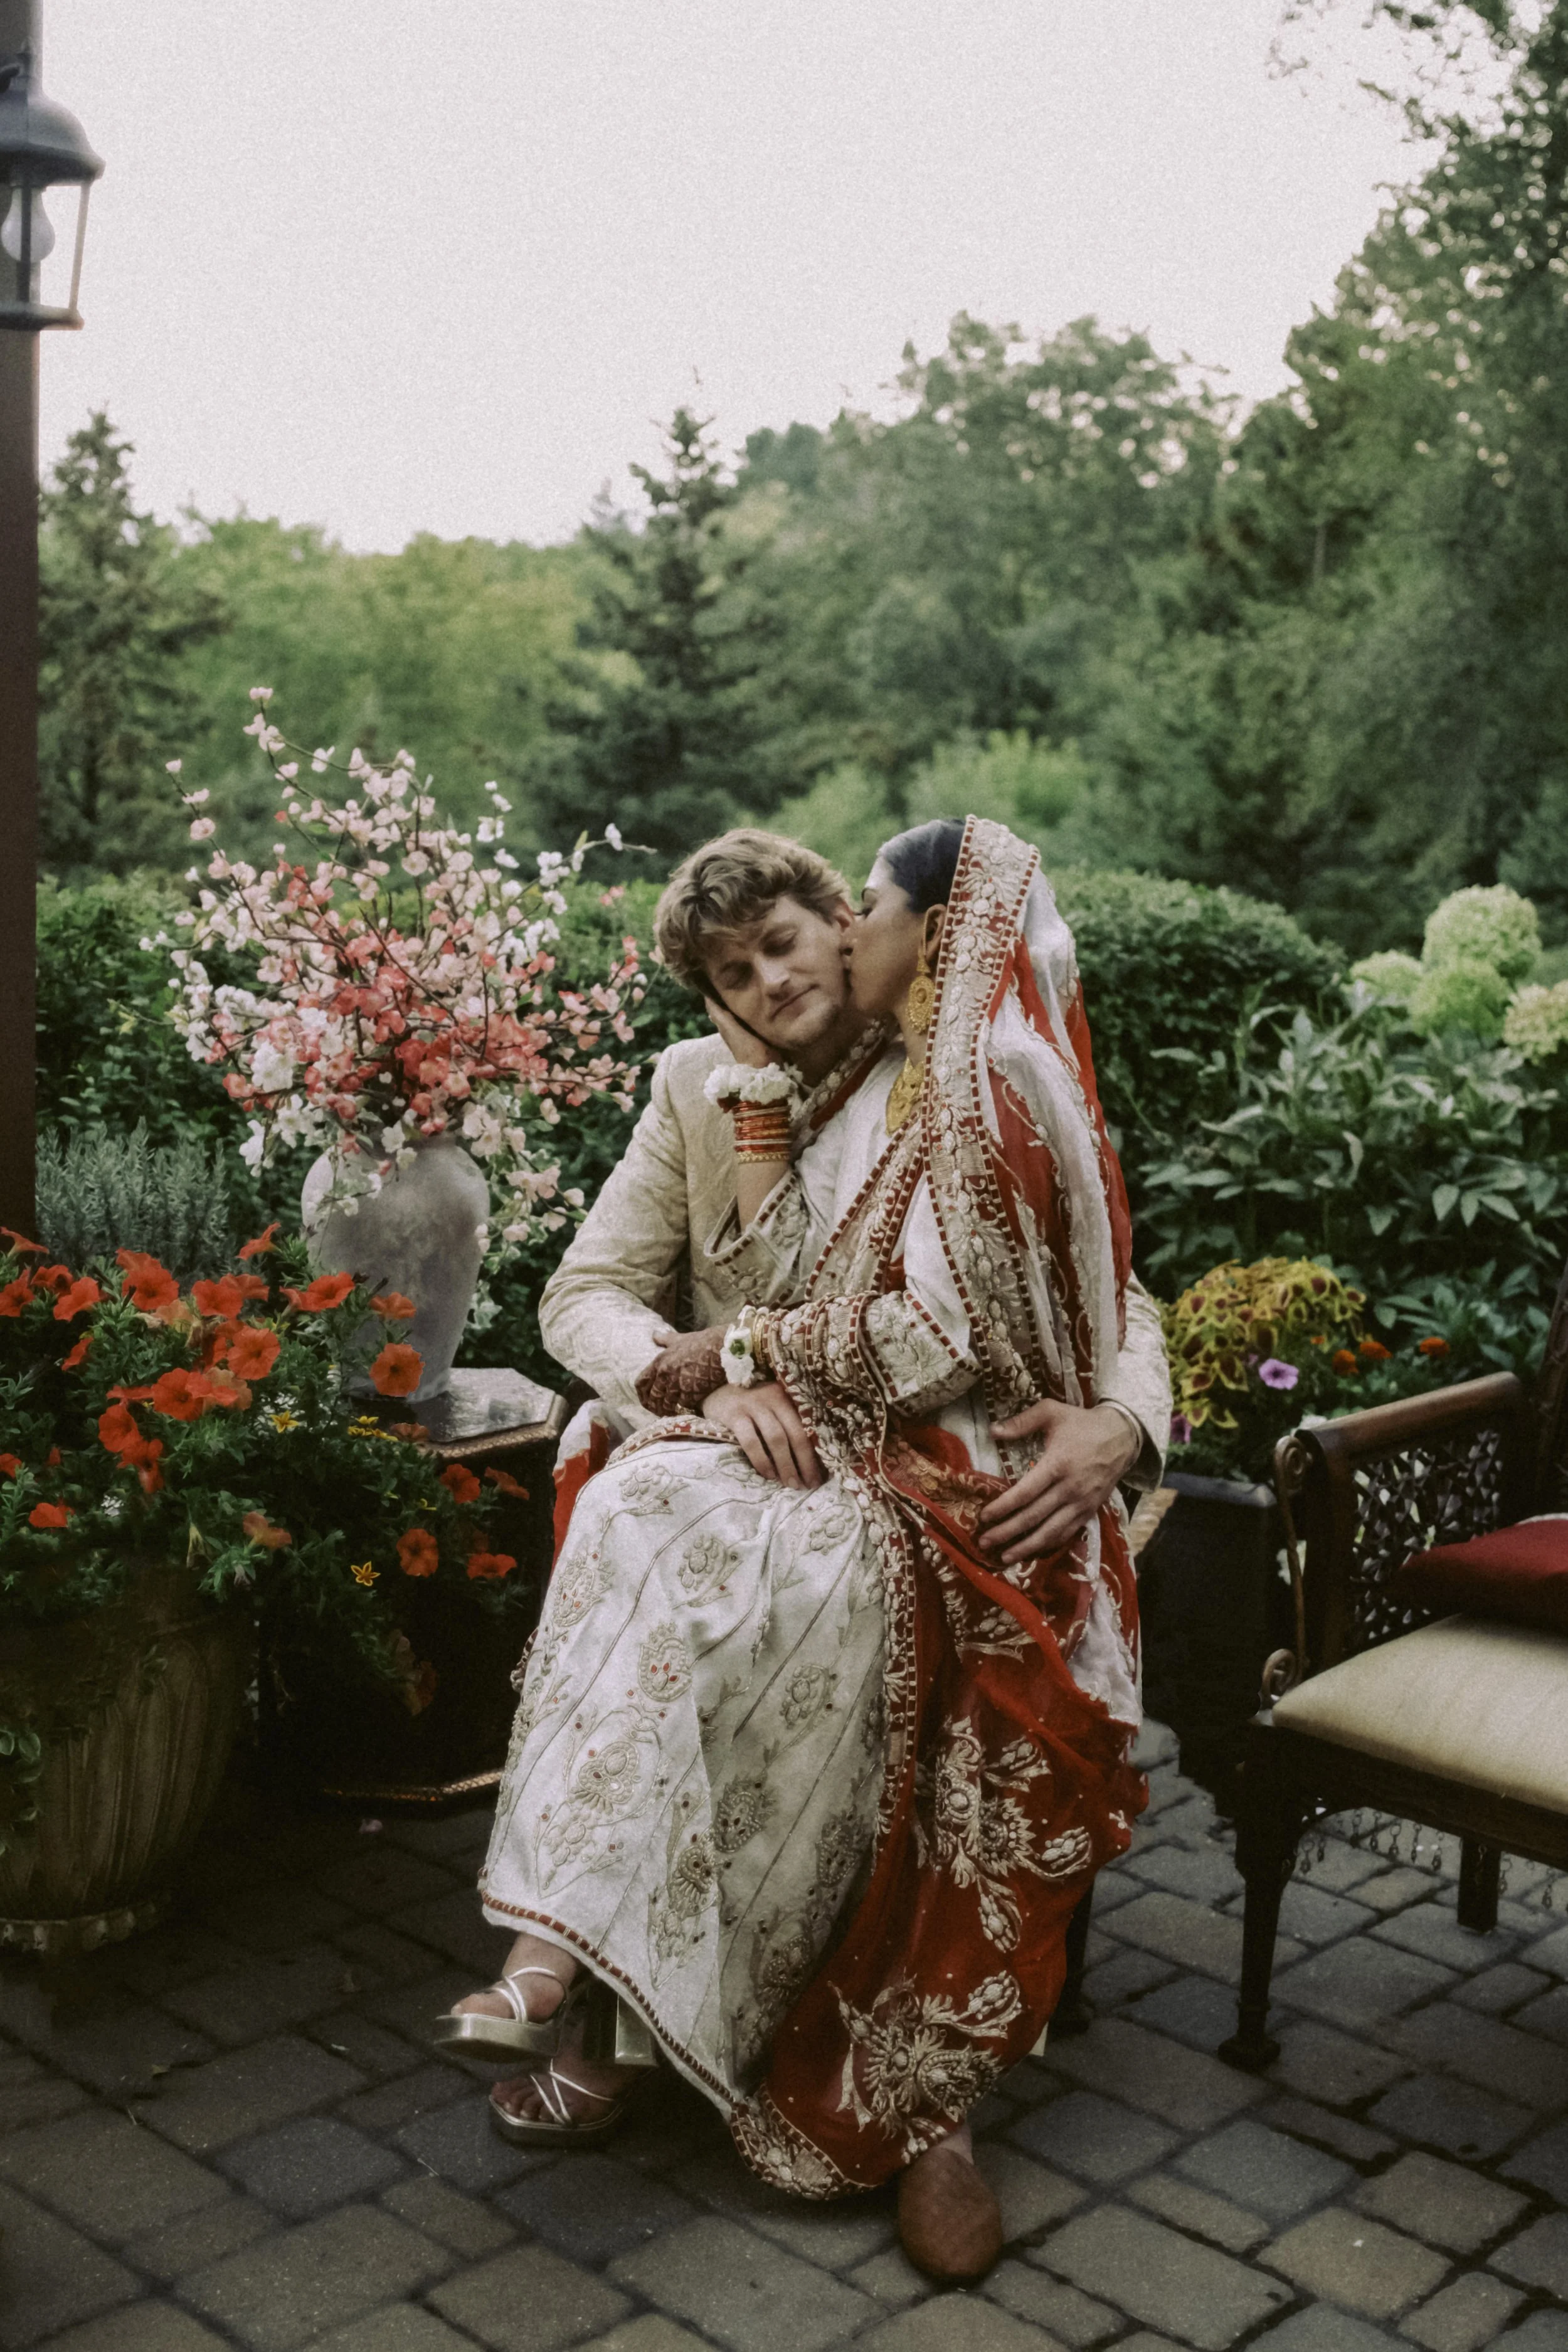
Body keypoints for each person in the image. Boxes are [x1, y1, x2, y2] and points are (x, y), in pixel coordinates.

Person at [438, 817, 1170, 2283]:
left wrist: (1123, 1431)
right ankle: (586, 1977)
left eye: (781, 942)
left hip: (921, 1463)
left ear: (844, 922)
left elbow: (1110, 1291)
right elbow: (580, 1296)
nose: (769, 981)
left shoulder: (958, 1064)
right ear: (708, 997)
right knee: (690, 1567)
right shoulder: (696, 1092)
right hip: (759, 1450)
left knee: (820, 1626)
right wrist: (704, 1378)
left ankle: (864, 2080)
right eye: (731, 970)